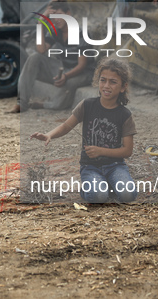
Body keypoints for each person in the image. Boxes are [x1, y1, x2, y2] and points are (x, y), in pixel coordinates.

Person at [30, 57, 138, 203]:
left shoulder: (125, 115)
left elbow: (127, 151)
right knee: (98, 197)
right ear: (98, 81)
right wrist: (49, 134)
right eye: (103, 80)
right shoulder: (87, 105)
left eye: (113, 82)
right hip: (90, 166)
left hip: (115, 166)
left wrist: (101, 151)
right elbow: (65, 126)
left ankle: (106, 184)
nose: (106, 85)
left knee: (128, 195)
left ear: (123, 87)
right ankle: (92, 188)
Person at [10, 0, 93, 113]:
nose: (56, 20)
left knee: (61, 100)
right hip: (64, 68)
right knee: (34, 58)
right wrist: (40, 23)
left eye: (59, 15)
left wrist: (66, 76)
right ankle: (22, 104)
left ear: (68, 14)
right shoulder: (55, 31)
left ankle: (45, 104)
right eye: (52, 16)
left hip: (83, 73)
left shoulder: (80, 33)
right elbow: (41, 50)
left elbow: (82, 65)